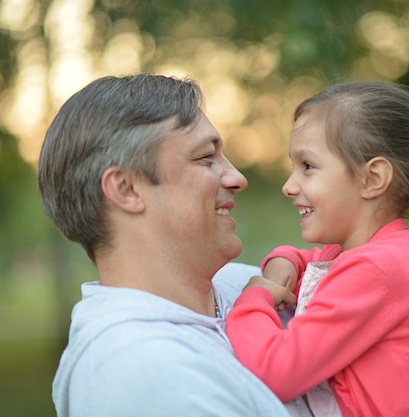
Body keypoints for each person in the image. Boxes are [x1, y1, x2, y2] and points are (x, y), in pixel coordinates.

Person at [37, 73, 310, 417]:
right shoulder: (143, 372)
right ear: (126, 189)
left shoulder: (244, 283)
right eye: (206, 157)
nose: (237, 178)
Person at [225, 81, 409, 417]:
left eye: (308, 167)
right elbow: (315, 265)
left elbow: (277, 370)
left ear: (372, 179)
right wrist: (284, 260)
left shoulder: (376, 270)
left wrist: (253, 299)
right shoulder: (372, 254)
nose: (289, 186)